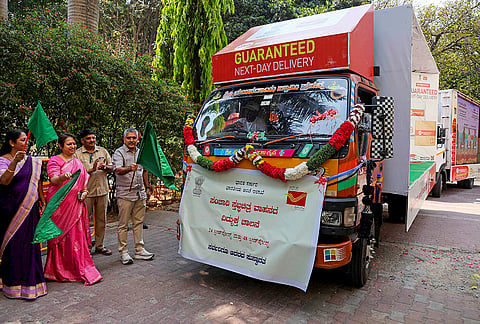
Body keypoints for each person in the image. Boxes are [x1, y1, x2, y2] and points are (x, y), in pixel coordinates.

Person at [44, 133, 102, 285]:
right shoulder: (54, 161)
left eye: (74, 144)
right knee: (60, 237)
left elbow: (83, 184)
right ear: (60, 146)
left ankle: (77, 268)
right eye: (69, 144)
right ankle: (57, 271)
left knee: (76, 237)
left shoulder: (77, 162)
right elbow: (54, 180)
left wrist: (84, 192)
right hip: (60, 206)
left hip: (76, 206)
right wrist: (63, 177)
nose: (72, 146)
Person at [0, 129, 47, 299]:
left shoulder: (32, 161)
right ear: (12, 143)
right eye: (21, 140)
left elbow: (37, 182)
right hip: (10, 211)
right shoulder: (2, 160)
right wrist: (14, 162)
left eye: (25, 140)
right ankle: (11, 286)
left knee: (30, 245)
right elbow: (4, 181)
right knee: (13, 247)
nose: (25, 143)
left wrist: (42, 201)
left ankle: (32, 285)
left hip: (30, 210)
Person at [112, 128, 154, 265]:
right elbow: (117, 170)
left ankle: (139, 249)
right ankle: (123, 252)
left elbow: (145, 171)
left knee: (138, 222)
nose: (131, 140)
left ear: (137, 139)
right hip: (125, 193)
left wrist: (147, 188)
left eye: (134, 138)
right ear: (124, 139)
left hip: (140, 192)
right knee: (123, 224)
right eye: (128, 138)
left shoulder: (141, 152)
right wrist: (130, 168)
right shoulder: (119, 152)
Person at [74, 129, 114, 256]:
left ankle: (99, 246)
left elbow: (112, 167)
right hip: (86, 192)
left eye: (93, 138)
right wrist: (92, 170)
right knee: (84, 221)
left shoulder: (102, 151)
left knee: (102, 220)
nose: (92, 140)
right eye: (88, 138)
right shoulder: (77, 154)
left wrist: (105, 167)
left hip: (102, 190)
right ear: (82, 140)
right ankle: (85, 247)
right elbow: (76, 174)